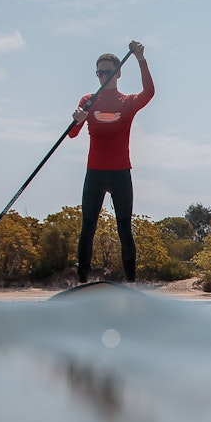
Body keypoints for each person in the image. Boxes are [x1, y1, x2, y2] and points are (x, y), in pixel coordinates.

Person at [69, 40, 155, 284]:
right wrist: (77, 119)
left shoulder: (126, 102)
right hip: (94, 173)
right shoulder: (88, 100)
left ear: (118, 73)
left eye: (108, 72)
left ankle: (131, 285)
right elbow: (72, 134)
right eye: (100, 72)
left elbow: (149, 93)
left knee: (124, 230)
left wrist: (140, 59)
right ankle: (82, 283)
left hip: (120, 174)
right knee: (88, 228)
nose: (103, 76)